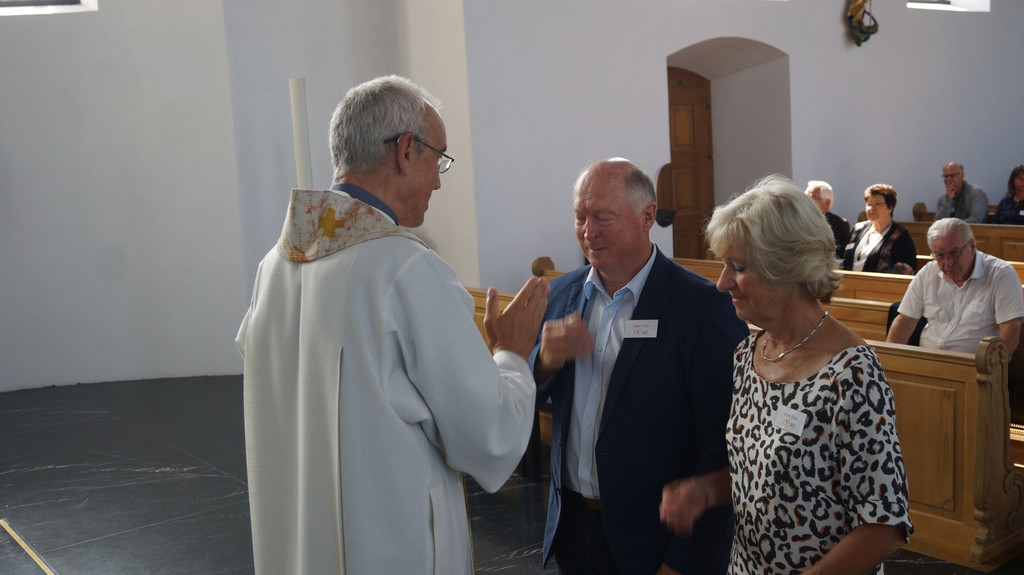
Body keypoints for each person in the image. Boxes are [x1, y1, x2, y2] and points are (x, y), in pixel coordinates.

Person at [235, 75, 550, 575]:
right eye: (438, 159)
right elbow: (487, 435)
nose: (439, 182)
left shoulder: (274, 267)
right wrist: (511, 352)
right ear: (406, 150)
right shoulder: (405, 268)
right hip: (387, 546)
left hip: (301, 540)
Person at [661, 175, 913, 574]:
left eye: (738, 267)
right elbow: (761, 470)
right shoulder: (749, 353)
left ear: (789, 266)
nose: (722, 282)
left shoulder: (851, 373)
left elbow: (885, 526)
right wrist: (706, 490)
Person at [532, 158, 748, 575]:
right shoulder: (560, 294)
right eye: (580, 217)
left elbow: (723, 451)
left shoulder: (701, 308)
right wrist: (542, 362)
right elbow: (525, 396)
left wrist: (684, 562)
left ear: (648, 216)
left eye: (602, 217)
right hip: (573, 528)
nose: (588, 232)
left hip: (657, 538)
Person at [887, 218, 1023, 354]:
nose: (948, 263)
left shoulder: (1000, 274)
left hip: (975, 363)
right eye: (940, 256)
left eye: (954, 253)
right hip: (928, 358)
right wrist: (889, 360)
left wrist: (992, 365)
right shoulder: (928, 272)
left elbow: (1011, 329)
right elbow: (905, 321)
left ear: (972, 246)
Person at [842, 184, 917, 274]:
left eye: (877, 204)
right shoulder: (858, 229)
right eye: (869, 203)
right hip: (849, 281)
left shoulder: (900, 235)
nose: (871, 208)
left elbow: (907, 269)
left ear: (890, 207)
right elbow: (843, 257)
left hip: (877, 283)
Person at [806, 180, 849, 259]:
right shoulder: (799, 220)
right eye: (806, 197)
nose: (807, 201)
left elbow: (837, 254)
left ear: (827, 203)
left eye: (812, 198)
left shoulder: (838, 224)